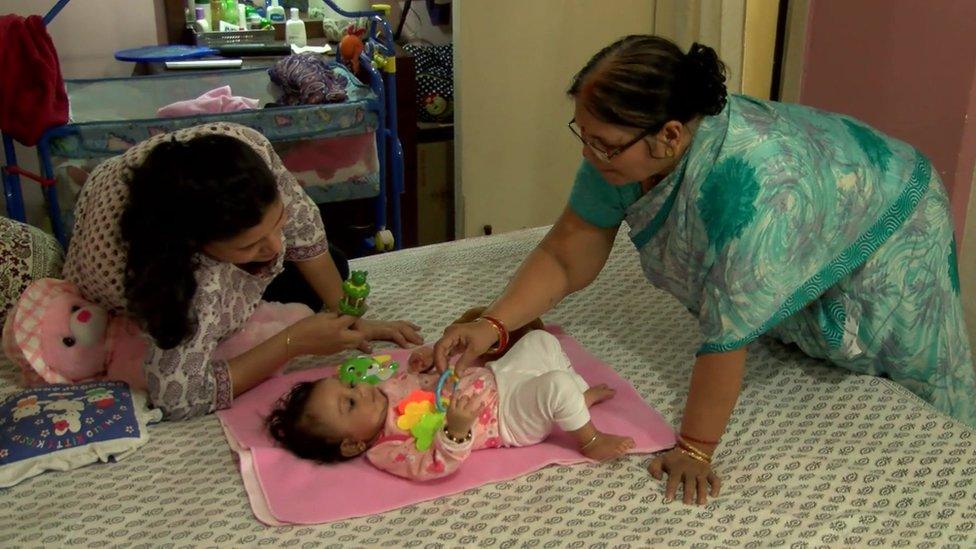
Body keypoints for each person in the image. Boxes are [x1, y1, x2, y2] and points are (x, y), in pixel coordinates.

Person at [431, 36, 975, 505]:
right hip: (824, 189)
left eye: (605, 144)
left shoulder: (755, 187)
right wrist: (494, 324)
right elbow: (568, 249)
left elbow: (727, 332)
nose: (592, 154)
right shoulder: (620, 151)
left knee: (914, 364)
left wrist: (695, 447)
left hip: (892, 210)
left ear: (669, 136)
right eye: (584, 135)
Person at [63, 122, 422, 420]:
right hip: (145, 276)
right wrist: (291, 344)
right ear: (201, 248)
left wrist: (348, 317)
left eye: (276, 223)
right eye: (250, 245)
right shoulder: (177, 279)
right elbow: (178, 397)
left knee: (333, 262)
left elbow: (303, 232)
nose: (276, 247)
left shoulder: (249, 150)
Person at [266, 330, 636, 480]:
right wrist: (456, 430)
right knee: (553, 386)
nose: (360, 390)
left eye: (350, 384)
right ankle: (588, 438)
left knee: (541, 339)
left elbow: (424, 380)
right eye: (349, 403)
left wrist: (422, 362)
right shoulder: (386, 449)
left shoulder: (383, 388)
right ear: (352, 443)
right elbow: (435, 465)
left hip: (497, 376)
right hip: (506, 419)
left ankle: (577, 400)